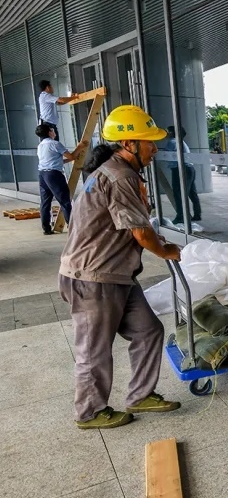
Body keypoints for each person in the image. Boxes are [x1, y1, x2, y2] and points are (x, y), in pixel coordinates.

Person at [58, 104, 183, 430]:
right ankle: (89, 413)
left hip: (116, 275)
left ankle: (141, 394)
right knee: (94, 350)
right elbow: (141, 233)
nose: (155, 148)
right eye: (149, 142)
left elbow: (133, 222)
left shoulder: (117, 172)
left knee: (149, 330)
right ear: (129, 144)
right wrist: (165, 249)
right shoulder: (120, 176)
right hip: (94, 278)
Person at [35, 122, 86, 235]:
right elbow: (71, 156)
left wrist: (71, 159)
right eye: (52, 130)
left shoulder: (40, 146)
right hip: (54, 175)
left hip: (42, 174)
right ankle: (73, 228)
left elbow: (57, 161)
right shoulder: (55, 144)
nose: (54, 132)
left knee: (45, 202)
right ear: (49, 132)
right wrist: (80, 147)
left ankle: (46, 228)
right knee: (65, 201)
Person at [162, 125, 202, 225]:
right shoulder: (181, 142)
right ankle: (197, 214)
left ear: (171, 133)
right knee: (192, 193)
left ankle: (181, 217)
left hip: (180, 169)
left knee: (179, 194)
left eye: (167, 131)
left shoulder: (172, 142)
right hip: (189, 169)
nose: (165, 133)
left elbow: (165, 155)